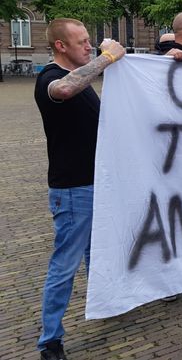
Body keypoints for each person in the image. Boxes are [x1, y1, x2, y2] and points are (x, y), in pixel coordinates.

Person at [34, 18, 126, 360]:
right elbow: (64, 90)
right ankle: (50, 341)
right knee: (65, 264)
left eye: (89, 41)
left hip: (93, 183)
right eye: (82, 41)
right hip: (72, 191)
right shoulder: (50, 78)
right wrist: (106, 58)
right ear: (61, 46)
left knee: (97, 252)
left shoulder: (82, 79)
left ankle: (106, 301)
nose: (89, 46)